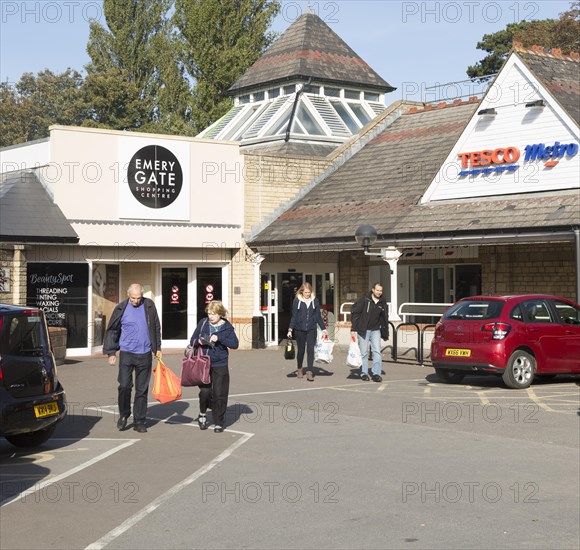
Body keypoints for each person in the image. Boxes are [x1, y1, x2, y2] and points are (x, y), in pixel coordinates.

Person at [103, 283, 161, 433]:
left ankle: (139, 421)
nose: (136, 301)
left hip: (144, 354)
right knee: (124, 386)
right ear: (128, 295)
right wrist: (111, 353)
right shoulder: (121, 308)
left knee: (142, 390)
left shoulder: (149, 306)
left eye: (139, 297)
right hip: (127, 354)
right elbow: (112, 330)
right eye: (133, 298)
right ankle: (124, 414)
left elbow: (155, 326)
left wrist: (157, 348)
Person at [189, 301, 239, 433]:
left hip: (220, 363)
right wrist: (198, 341)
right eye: (209, 313)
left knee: (219, 393)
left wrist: (220, 338)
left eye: (214, 314)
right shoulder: (203, 323)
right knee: (205, 392)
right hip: (203, 363)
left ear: (220, 314)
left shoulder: (227, 327)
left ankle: (218, 422)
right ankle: (202, 414)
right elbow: (192, 340)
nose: (211, 316)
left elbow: (234, 344)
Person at [287, 282, 328, 382]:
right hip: (299, 329)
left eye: (309, 292)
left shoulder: (315, 301)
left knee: (310, 350)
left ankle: (309, 371)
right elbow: (294, 316)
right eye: (305, 292)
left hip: (311, 329)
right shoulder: (297, 301)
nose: (307, 294)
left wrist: (323, 329)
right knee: (301, 351)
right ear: (302, 292)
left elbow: (318, 316)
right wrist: (290, 329)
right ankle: (300, 369)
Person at [351, 282, 389, 383]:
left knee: (376, 351)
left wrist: (385, 332)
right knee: (364, 353)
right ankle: (364, 373)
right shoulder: (365, 299)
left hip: (375, 330)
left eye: (381, 291)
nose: (379, 292)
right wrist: (354, 328)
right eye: (377, 290)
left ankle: (376, 373)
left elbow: (384, 318)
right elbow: (355, 312)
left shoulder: (382, 302)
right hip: (363, 330)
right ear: (373, 290)